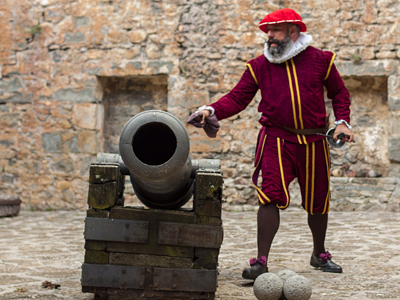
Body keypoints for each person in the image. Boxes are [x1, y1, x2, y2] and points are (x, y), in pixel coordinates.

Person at [188, 8, 355, 279]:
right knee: (270, 195)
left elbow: (339, 93)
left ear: (293, 31)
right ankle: (261, 261)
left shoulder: (321, 60)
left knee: (318, 199)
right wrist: (210, 110)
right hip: (277, 139)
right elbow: (237, 98)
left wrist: (343, 121)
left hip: (314, 140)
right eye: (268, 32)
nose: (270, 37)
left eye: (276, 31)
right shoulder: (258, 67)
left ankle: (319, 254)